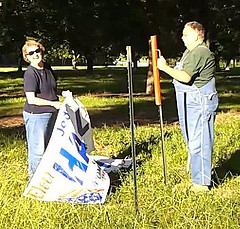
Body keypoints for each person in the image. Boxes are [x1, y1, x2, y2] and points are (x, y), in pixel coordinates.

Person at [157, 21, 218, 191]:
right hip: (190, 100)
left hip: (200, 102)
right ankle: (197, 176)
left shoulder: (199, 52)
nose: (182, 37)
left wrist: (164, 68)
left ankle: (202, 183)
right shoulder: (190, 52)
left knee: (200, 140)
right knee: (192, 140)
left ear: (198, 34)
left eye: (186, 34)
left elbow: (185, 77)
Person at [22, 40, 61, 179]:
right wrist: (53, 104)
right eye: (30, 53)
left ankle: (48, 178)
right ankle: (35, 181)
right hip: (36, 116)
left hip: (52, 114)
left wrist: (64, 94)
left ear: (41, 51)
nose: (35, 55)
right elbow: (31, 99)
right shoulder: (30, 74)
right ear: (26, 56)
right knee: (38, 151)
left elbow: (52, 88)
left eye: (37, 51)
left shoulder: (47, 68)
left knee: (50, 147)